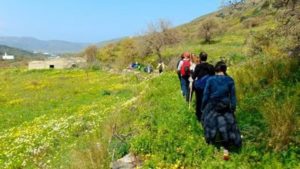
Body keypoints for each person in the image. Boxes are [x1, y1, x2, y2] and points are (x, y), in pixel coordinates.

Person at [201, 61, 242, 160]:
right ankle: (226, 149)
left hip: (213, 105)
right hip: (225, 106)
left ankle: (211, 144)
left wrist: (203, 107)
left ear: (216, 69)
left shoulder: (210, 80)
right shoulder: (229, 80)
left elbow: (206, 95)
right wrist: (233, 108)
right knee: (228, 126)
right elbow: (233, 97)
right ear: (224, 70)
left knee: (208, 123)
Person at [192, 52, 214, 121]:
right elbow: (213, 76)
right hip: (209, 86)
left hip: (200, 87)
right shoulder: (211, 66)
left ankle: (199, 116)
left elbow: (193, 77)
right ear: (206, 58)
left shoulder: (198, 66)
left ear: (200, 58)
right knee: (209, 100)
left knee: (199, 101)